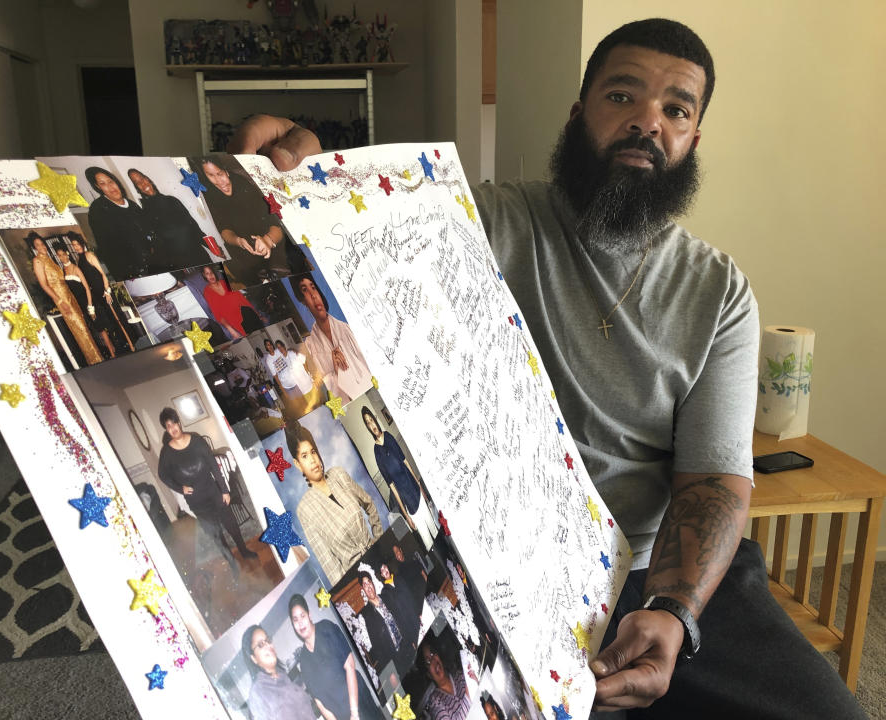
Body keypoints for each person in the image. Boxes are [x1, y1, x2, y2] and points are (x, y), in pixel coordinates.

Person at [228, 18, 868, 720]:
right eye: (623, 96)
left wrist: (672, 610)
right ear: (579, 114)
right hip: (502, 564)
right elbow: (366, 225)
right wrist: (306, 164)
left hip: (656, 569)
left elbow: (714, 481)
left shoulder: (719, 293)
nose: (648, 122)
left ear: (692, 140)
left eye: (676, 109)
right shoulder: (483, 221)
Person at [156, 407, 257, 578]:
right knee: (214, 533)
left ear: (179, 423)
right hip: (197, 501)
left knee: (231, 524)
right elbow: (162, 475)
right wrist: (180, 488)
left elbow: (213, 465)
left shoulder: (196, 441)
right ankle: (232, 562)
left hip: (213, 492)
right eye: (168, 426)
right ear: (166, 429)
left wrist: (224, 490)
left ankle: (243, 550)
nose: (172, 428)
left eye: (174, 424)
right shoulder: (167, 452)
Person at [285, 420, 383, 585]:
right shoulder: (306, 509)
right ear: (297, 464)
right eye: (304, 456)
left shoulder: (338, 475)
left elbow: (369, 504)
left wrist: (379, 539)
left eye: (313, 452)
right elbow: (329, 565)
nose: (313, 460)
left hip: (380, 557)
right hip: (358, 580)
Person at [189, 156, 300, 285]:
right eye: (211, 175)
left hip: (271, 240)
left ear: (226, 170)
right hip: (243, 248)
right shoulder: (209, 194)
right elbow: (224, 230)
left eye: (220, 174)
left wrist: (268, 241)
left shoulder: (245, 183)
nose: (219, 182)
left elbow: (276, 225)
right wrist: (238, 241)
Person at [288, 593, 383, 720]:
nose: (300, 623)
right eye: (295, 620)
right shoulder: (304, 662)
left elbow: (350, 666)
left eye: (302, 616)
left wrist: (354, 714)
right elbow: (319, 702)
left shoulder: (326, 628)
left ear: (309, 614)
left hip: (359, 705)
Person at [290, 272, 372, 404]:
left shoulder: (346, 329)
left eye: (313, 287)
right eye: (305, 290)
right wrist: (334, 373)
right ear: (302, 300)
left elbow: (369, 368)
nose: (313, 295)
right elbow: (319, 391)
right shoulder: (310, 346)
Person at [362, 407, 437, 549]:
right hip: (408, 502)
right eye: (367, 423)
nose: (371, 424)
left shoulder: (389, 437)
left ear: (375, 420)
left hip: (416, 491)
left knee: (434, 528)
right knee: (428, 542)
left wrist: (419, 485)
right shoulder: (377, 453)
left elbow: (406, 462)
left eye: (371, 420)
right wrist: (406, 515)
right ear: (367, 427)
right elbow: (392, 487)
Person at [28, 232, 103, 365]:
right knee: (79, 329)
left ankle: (97, 357)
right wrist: (60, 301)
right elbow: (44, 285)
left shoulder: (49, 258)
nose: (42, 247)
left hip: (69, 295)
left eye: (42, 243)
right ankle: (95, 361)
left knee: (83, 327)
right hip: (62, 299)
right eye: (37, 245)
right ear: (34, 248)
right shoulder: (37, 260)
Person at [127, 167, 214, 270]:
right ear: (137, 189)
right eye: (137, 183)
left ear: (147, 178)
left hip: (199, 253)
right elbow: (158, 245)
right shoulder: (144, 213)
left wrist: (211, 246)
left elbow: (193, 226)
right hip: (181, 262)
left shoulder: (172, 200)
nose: (142, 183)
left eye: (142, 178)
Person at [69, 236, 134, 354]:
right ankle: (124, 344)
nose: (76, 247)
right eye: (73, 245)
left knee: (117, 317)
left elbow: (103, 274)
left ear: (82, 243)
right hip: (96, 294)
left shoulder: (90, 255)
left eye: (77, 244)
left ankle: (132, 342)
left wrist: (107, 291)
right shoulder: (78, 260)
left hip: (104, 291)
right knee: (110, 319)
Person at [84, 167, 151, 280]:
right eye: (103, 183)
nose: (110, 186)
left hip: (151, 262)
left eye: (111, 181)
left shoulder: (132, 204)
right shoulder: (98, 210)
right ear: (98, 187)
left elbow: (147, 231)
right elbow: (108, 249)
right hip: (133, 272)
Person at [242, 624, 317, 720]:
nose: (268, 645)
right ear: (253, 658)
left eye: (268, 640)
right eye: (261, 644)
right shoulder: (258, 693)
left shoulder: (283, 678)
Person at [55, 247, 117, 359]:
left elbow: (87, 288)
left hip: (89, 301)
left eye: (63, 254)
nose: (62, 257)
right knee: (96, 328)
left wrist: (90, 307)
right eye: (59, 255)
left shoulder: (76, 269)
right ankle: (111, 349)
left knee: (100, 328)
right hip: (79, 303)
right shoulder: (63, 270)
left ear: (67, 254)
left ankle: (113, 354)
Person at [357, 570, 415, 682]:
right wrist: (389, 672)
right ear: (363, 590)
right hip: (396, 658)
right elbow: (377, 647)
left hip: (407, 645)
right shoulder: (367, 614)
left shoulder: (386, 597)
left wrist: (412, 640)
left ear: (373, 583)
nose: (369, 587)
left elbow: (402, 619)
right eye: (365, 585)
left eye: (369, 582)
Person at [200, 265, 265, 339]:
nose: (211, 275)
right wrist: (231, 330)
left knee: (257, 324)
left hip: (245, 311)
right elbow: (217, 314)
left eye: (211, 272)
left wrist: (257, 313)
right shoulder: (207, 292)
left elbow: (241, 298)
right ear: (204, 275)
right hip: (234, 319)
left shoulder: (224, 282)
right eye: (207, 274)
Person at [418, 633, 470, 720]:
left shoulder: (459, 676)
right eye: (428, 661)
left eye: (432, 653)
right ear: (428, 674)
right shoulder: (435, 701)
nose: (433, 660)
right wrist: (468, 696)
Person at [276, 339, 320, 416]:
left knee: (319, 403)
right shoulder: (282, 361)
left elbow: (304, 360)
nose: (280, 349)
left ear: (284, 346)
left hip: (308, 383)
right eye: (278, 348)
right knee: (313, 409)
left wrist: (307, 372)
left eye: (281, 346)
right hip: (301, 389)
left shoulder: (292, 353)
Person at [262, 338, 304, 413]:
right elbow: (275, 376)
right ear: (266, 347)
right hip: (286, 385)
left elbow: (286, 351)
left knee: (303, 400)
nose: (270, 346)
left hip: (294, 380)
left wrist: (293, 349)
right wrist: (283, 390)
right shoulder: (269, 360)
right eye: (268, 345)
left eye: (270, 344)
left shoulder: (278, 351)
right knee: (297, 406)